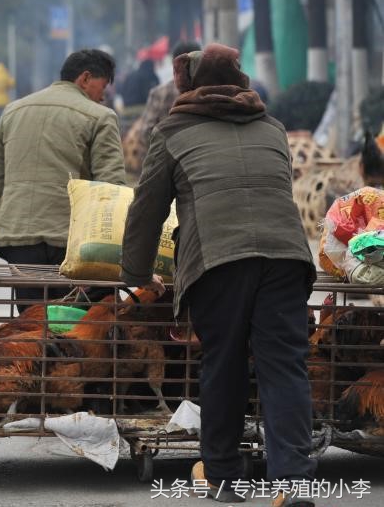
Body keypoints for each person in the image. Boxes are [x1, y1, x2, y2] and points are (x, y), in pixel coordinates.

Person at [120, 43, 316, 507]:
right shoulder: (272, 127)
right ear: (241, 80)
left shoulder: (172, 131)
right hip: (287, 256)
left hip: (218, 259)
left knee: (223, 363)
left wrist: (136, 273)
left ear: (188, 86)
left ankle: (223, 476)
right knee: (284, 366)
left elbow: (147, 210)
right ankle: (292, 482)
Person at [0, 49, 125, 310]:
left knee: (31, 323)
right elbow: (110, 189)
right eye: (103, 86)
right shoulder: (100, 116)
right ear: (85, 78)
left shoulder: (13, 110)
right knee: (76, 324)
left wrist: (10, 221)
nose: (103, 96)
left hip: (18, 239)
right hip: (70, 243)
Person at [126, 41, 200, 171]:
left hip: (167, 162)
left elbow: (146, 132)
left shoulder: (160, 93)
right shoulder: (209, 91)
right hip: (200, 160)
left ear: (174, 64)